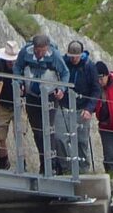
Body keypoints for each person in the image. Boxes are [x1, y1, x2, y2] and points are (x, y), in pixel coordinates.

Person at [15, 32, 71, 171]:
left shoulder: (55, 55)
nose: (40, 53)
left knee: (48, 129)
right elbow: (17, 67)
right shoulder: (25, 53)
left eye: (43, 50)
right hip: (32, 95)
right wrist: (19, 82)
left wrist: (62, 89)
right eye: (38, 50)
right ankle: (44, 162)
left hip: (50, 96)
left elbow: (65, 73)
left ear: (47, 47)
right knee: (37, 131)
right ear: (34, 47)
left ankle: (51, 164)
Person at [62, 40, 101, 172]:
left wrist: (89, 109)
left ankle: (83, 170)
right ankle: (66, 168)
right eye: (71, 56)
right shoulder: (64, 62)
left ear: (81, 55)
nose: (73, 59)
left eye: (76, 56)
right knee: (61, 138)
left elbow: (96, 90)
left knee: (82, 140)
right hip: (65, 106)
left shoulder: (89, 67)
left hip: (82, 108)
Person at [0, 41, 21, 169]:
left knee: (20, 133)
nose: (11, 62)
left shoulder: (21, 66)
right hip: (3, 103)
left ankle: (21, 162)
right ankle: (3, 160)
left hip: (19, 103)